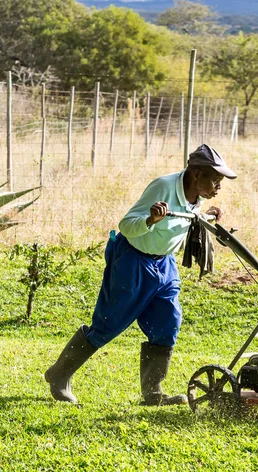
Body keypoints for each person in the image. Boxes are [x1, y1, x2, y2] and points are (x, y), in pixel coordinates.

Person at [45, 144, 237, 406]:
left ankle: (153, 393)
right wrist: (150, 220)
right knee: (108, 324)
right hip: (133, 260)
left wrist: (204, 216)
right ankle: (59, 374)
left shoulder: (197, 196)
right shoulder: (163, 187)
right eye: (215, 180)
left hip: (164, 264)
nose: (219, 187)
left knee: (167, 323)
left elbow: (182, 217)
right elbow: (126, 224)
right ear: (195, 174)